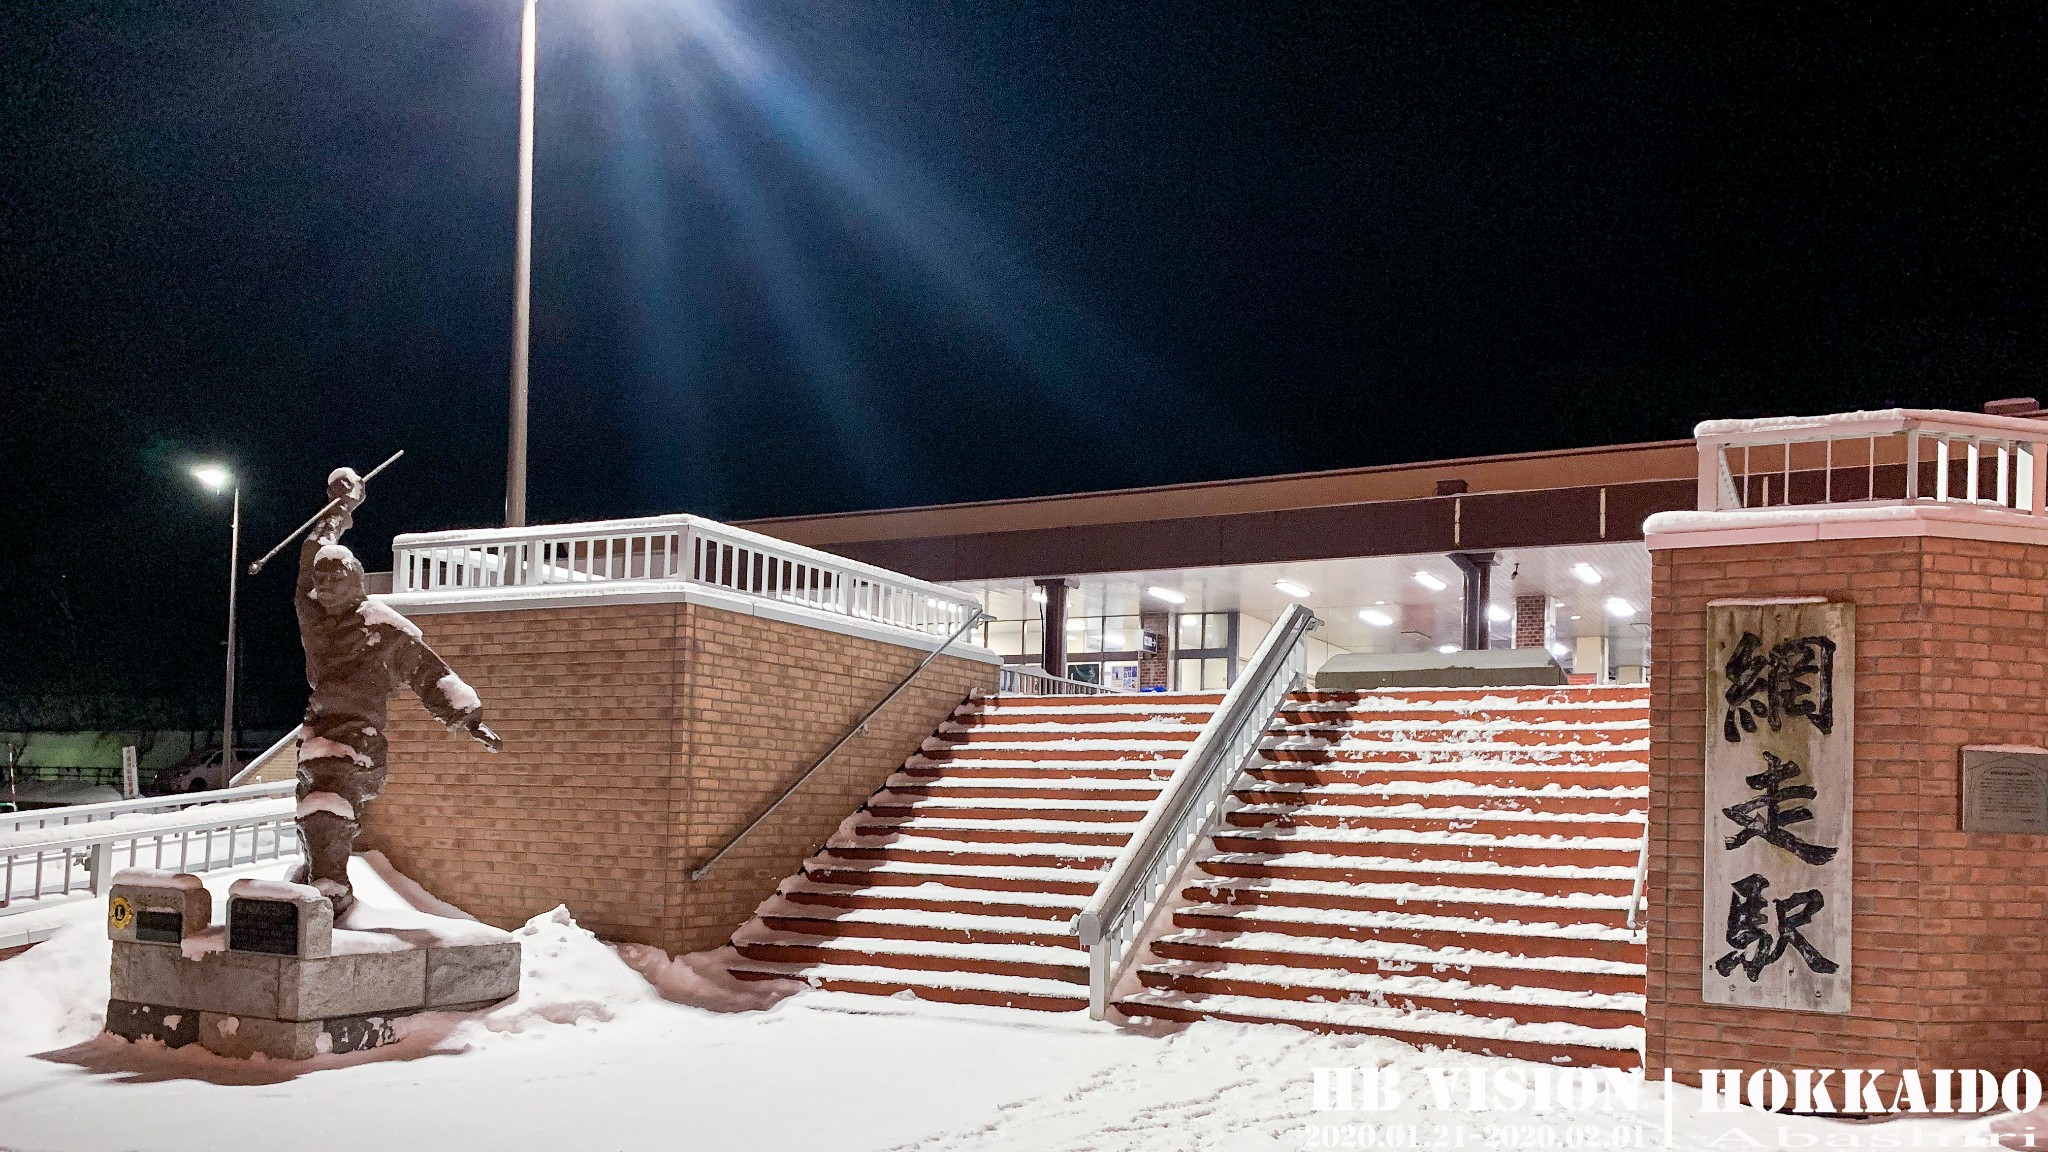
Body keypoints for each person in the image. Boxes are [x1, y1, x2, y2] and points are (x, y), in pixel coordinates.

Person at [294, 466, 499, 916]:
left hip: (361, 738)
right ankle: (318, 872)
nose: (323, 589)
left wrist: (467, 715)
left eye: (333, 582)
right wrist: (340, 508)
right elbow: (312, 554)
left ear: (355, 580)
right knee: (312, 805)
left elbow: (429, 672)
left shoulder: (384, 628)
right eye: (320, 584)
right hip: (318, 729)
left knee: (327, 799)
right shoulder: (314, 614)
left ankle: (329, 881)